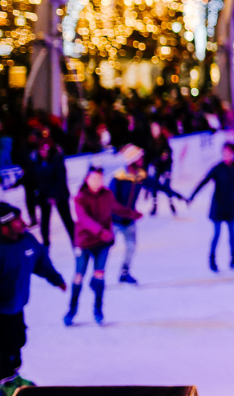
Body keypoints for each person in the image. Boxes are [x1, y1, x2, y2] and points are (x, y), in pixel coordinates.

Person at [0, 202, 65, 395]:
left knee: (19, 341)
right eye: (17, 220)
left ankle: (14, 376)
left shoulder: (27, 240)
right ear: (4, 226)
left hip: (17, 305)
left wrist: (55, 279)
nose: (23, 222)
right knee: (5, 348)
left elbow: (41, 262)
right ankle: (6, 383)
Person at [68, 168, 141, 325]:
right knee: (79, 276)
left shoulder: (107, 195)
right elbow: (83, 219)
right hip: (84, 243)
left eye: (100, 179)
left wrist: (132, 214)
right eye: (94, 179)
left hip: (102, 244)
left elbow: (117, 208)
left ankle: (98, 309)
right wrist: (101, 231)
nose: (97, 182)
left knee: (99, 275)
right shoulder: (80, 198)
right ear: (87, 179)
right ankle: (72, 309)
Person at [190, 144, 234, 273]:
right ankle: (212, 259)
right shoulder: (218, 168)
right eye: (225, 153)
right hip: (218, 206)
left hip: (230, 206)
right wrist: (192, 195)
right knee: (217, 233)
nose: (227, 155)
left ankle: (233, 259)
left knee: (232, 234)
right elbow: (204, 181)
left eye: (229, 153)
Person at [109, 145, 148, 285]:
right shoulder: (119, 177)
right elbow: (112, 202)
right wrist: (130, 213)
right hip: (114, 220)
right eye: (139, 157)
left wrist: (176, 195)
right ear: (133, 160)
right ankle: (97, 274)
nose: (142, 160)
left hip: (129, 221)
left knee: (131, 247)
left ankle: (124, 273)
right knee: (104, 248)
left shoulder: (140, 175)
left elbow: (157, 185)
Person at [28, 139, 74, 249]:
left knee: (67, 219)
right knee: (44, 221)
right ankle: (45, 244)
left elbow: (60, 179)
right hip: (44, 196)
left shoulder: (57, 160)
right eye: (42, 150)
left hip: (59, 195)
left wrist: (53, 195)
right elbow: (34, 179)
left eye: (46, 150)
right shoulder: (36, 162)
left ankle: (75, 241)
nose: (44, 152)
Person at [145, 121, 185, 216]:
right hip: (156, 167)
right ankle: (155, 206)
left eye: (156, 129)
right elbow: (148, 156)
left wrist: (166, 157)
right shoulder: (150, 141)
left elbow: (169, 152)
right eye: (153, 129)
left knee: (167, 185)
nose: (155, 131)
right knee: (154, 186)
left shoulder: (163, 140)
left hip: (165, 166)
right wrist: (153, 162)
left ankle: (171, 203)